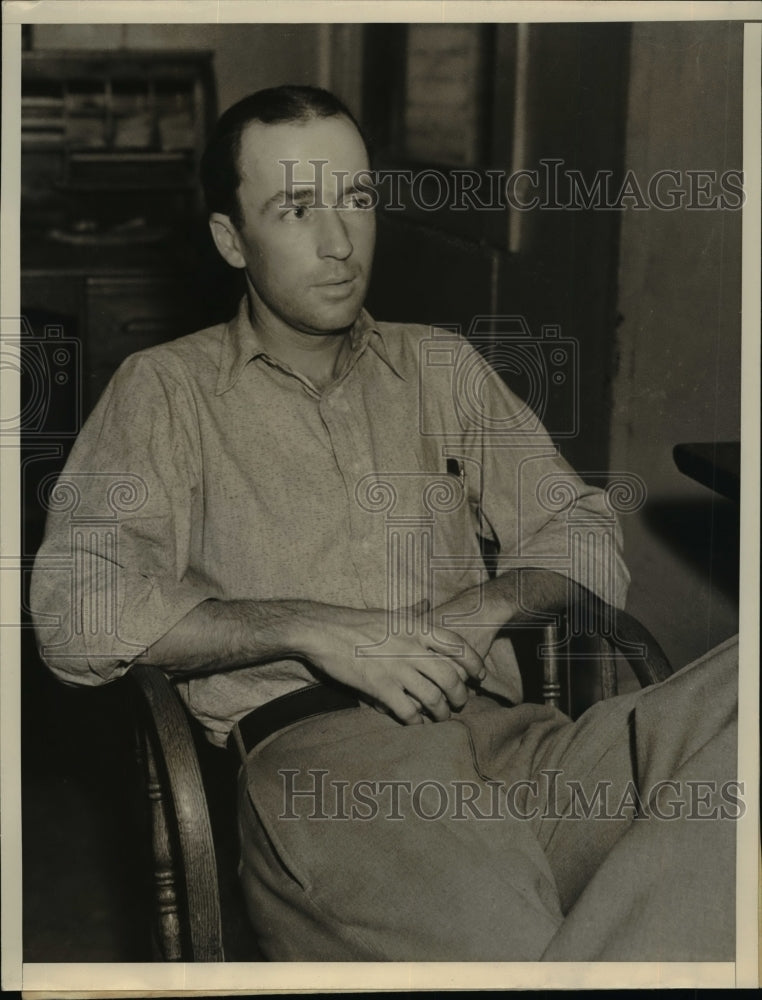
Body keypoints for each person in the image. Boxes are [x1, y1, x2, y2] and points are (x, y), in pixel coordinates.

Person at [30, 86, 738, 962]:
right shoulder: (164, 391)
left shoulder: (441, 367)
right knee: (517, 937)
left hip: (520, 751)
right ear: (229, 240)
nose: (339, 243)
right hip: (337, 773)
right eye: (296, 209)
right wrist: (320, 631)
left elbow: (585, 533)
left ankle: (588, 956)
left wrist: (481, 612)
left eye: (357, 201)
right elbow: (74, 609)